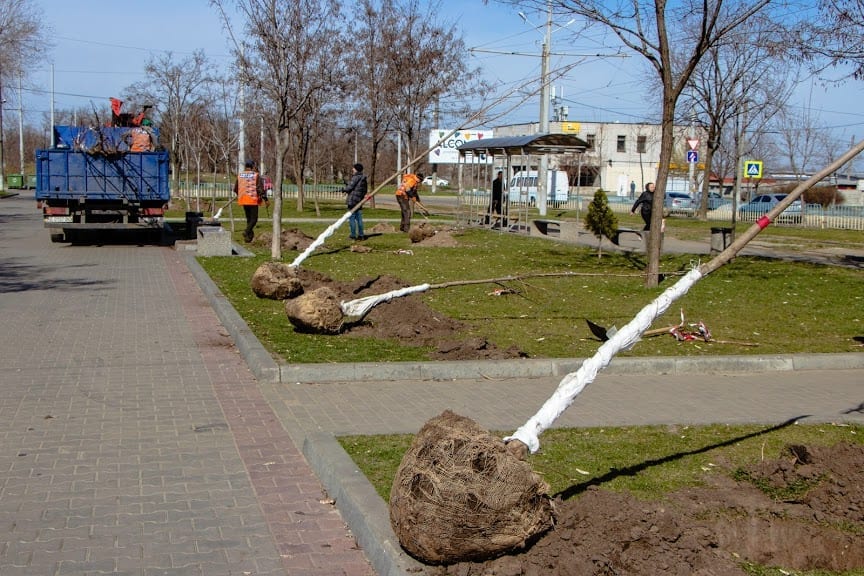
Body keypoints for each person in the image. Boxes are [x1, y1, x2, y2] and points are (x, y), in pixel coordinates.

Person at [233, 160, 268, 243]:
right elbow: (260, 188)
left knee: (249, 219)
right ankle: (246, 232)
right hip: (252, 200)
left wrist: (241, 194)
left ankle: (248, 238)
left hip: (243, 199)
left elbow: (235, 189)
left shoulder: (240, 175)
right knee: (254, 219)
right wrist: (265, 199)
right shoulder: (255, 175)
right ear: (252, 166)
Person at [342, 163, 368, 240]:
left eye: (353, 168)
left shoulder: (355, 177)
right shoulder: (364, 178)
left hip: (353, 201)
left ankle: (353, 235)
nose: (352, 170)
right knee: (359, 219)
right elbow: (364, 190)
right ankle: (361, 235)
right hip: (359, 201)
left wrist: (344, 189)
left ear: (356, 169)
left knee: (352, 218)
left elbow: (350, 187)